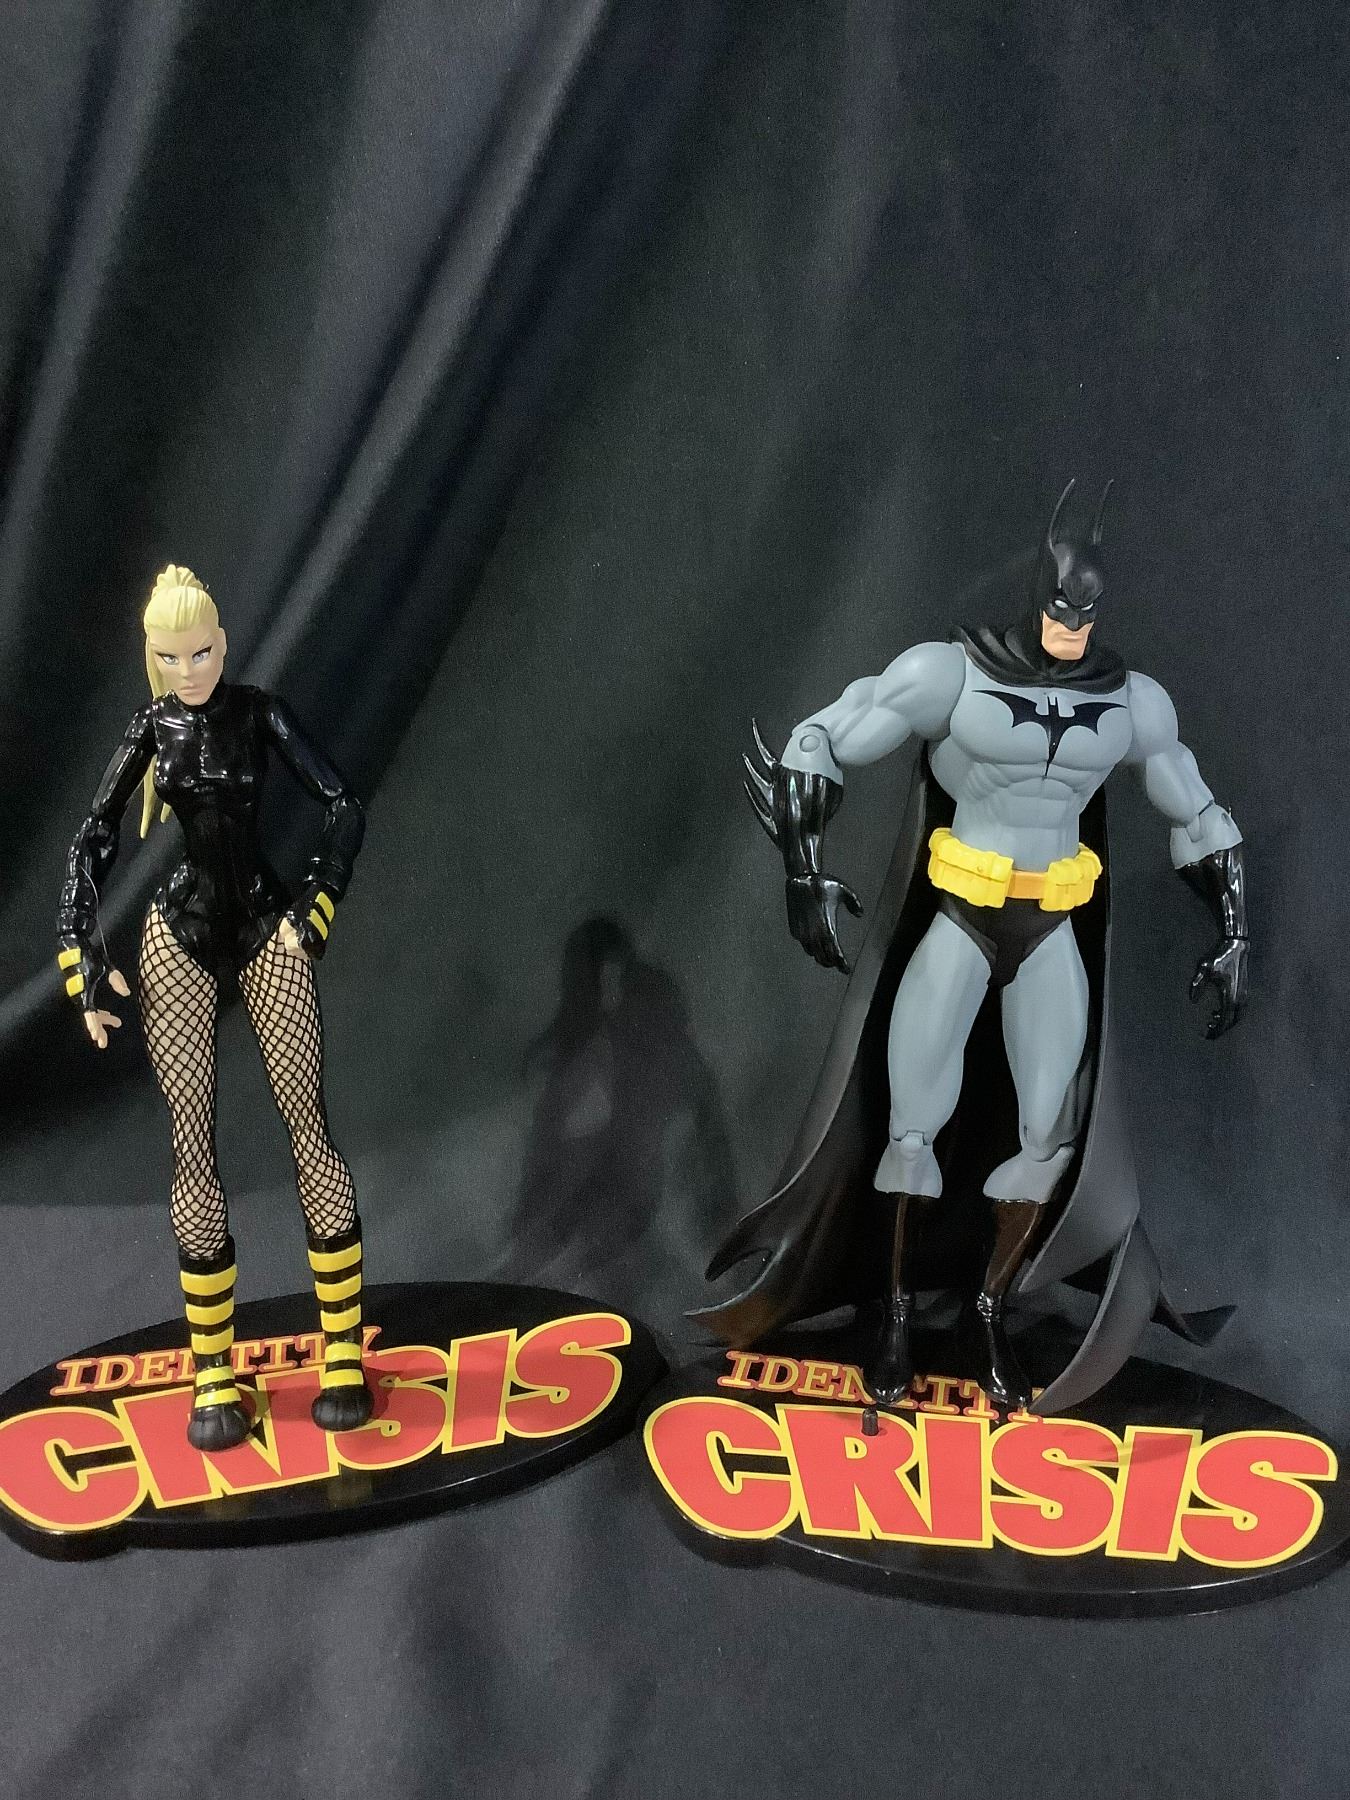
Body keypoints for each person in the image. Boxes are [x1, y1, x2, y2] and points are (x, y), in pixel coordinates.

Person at [708, 481, 1249, 1412]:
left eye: (1087, 610)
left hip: (1050, 929)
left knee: (1049, 1135)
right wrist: (803, 870)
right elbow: (828, 734)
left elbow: (1195, 811)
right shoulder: (953, 676)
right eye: (1060, 604)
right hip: (961, 919)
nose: (1071, 624)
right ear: (1037, 592)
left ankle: (989, 1309)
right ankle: (891, 1312)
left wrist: (1234, 928)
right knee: (911, 1124)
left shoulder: (1129, 704)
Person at [56, 565, 370, 1450]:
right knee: (190, 1147)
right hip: (181, 931)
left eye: (201, 652)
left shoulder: (260, 712)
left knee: (310, 1133)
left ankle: (343, 1354)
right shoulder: (149, 728)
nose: (190, 670)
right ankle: (213, 1374)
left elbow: (343, 802)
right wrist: (80, 948)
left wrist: (320, 900)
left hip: (268, 924)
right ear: (151, 657)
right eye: (171, 657)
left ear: (223, 644)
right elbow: (94, 835)